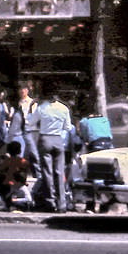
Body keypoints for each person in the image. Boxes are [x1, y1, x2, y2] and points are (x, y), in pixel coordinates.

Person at [36, 84, 72, 212]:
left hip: (45, 138)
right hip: (58, 139)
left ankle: (50, 201)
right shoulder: (64, 108)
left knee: (47, 171)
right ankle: (62, 203)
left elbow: (32, 123)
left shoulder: (41, 108)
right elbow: (68, 127)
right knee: (59, 171)